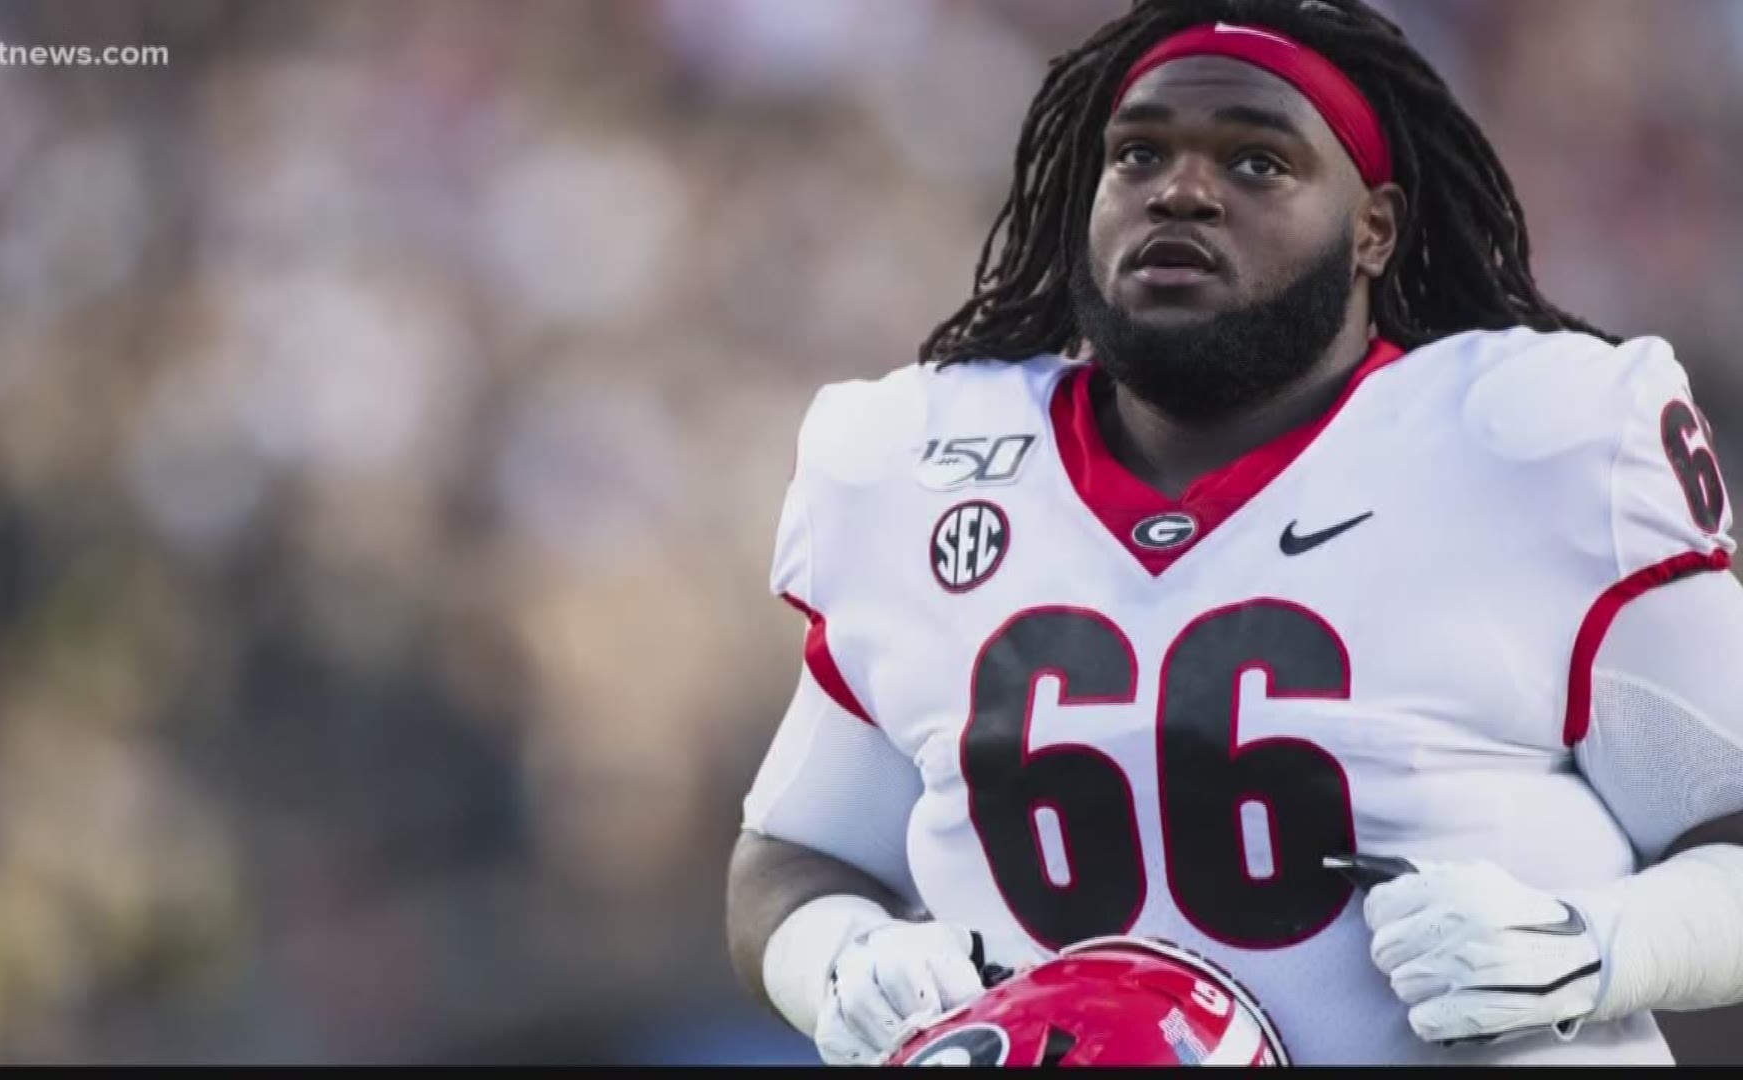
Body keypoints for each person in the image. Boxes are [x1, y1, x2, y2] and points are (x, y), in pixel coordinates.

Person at [724, 0, 1743, 1066]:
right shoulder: (922, 460)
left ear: (1374, 228)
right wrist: (840, 957)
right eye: (1138, 154)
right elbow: (794, 856)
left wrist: (1598, 947)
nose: (1182, 190)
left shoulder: (1533, 444)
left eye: (1257, 163)